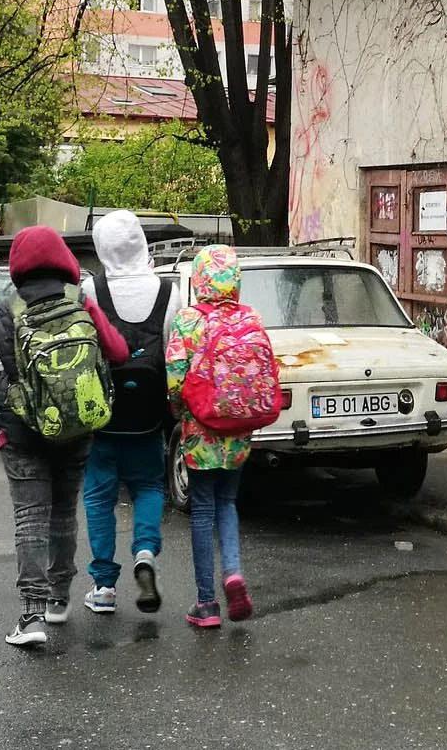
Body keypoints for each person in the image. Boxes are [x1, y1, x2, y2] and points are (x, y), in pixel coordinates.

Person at [0, 226, 129, 647]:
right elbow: (119, 352)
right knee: (64, 512)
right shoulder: (81, 299)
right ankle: (58, 600)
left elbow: (4, 367)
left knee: (29, 517)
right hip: (76, 423)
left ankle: (30, 617)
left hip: (23, 428)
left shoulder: (7, 307)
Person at [81, 211, 179, 616]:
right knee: (150, 488)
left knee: (98, 498)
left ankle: (103, 586)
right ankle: (144, 551)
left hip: (103, 415)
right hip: (149, 415)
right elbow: (175, 353)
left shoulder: (90, 289)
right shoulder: (169, 292)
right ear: (140, 241)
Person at [164, 244, 263, 629]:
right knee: (229, 502)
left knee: (202, 508)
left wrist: (178, 409)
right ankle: (234, 573)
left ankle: (206, 603)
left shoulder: (188, 320)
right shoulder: (250, 318)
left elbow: (175, 375)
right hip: (239, 428)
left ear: (199, 279)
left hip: (201, 427)